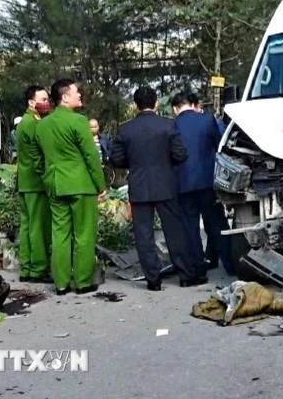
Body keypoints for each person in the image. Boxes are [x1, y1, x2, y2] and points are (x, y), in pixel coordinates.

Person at [110, 86, 198, 290]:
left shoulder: (126, 129)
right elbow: (180, 154)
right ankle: (185, 275)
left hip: (139, 186)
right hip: (166, 184)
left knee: (143, 235)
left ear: (135, 106)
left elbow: (116, 159)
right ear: (157, 103)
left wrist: (134, 164)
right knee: (175, 231)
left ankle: (153, 280)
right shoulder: (168, 126)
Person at [35, 79, 107, 295]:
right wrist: (100, 186)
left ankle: (61, 283)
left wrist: (48, 177)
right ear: (64, 97)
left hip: (56, 184)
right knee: (84, 234)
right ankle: (83, 282)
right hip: (80, 184)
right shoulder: (78, 121)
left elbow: (39, 159)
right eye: (77, 92)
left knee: (60, 235)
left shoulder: (42, 125)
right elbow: (91, 156)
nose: (80, 95)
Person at [172, 92, 234, 277]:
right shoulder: (208, 120)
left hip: (182, 185)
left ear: (175, 109)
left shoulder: (172, 125)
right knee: (217, 223)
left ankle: (198, 269)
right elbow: (222, 145)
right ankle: (231, 265)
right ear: (194, 104)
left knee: (190, 228)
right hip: (208, 182)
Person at [16, 85, 53, 283]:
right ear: (31, 102)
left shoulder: (25, 121)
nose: (46, 103)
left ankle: (26, 267)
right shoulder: (33, 123)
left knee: (27, 226)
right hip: (36, 183)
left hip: (25, 182)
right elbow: (37, 155)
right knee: (38, 227)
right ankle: (38, 269)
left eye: (47, 99)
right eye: (43, 99)